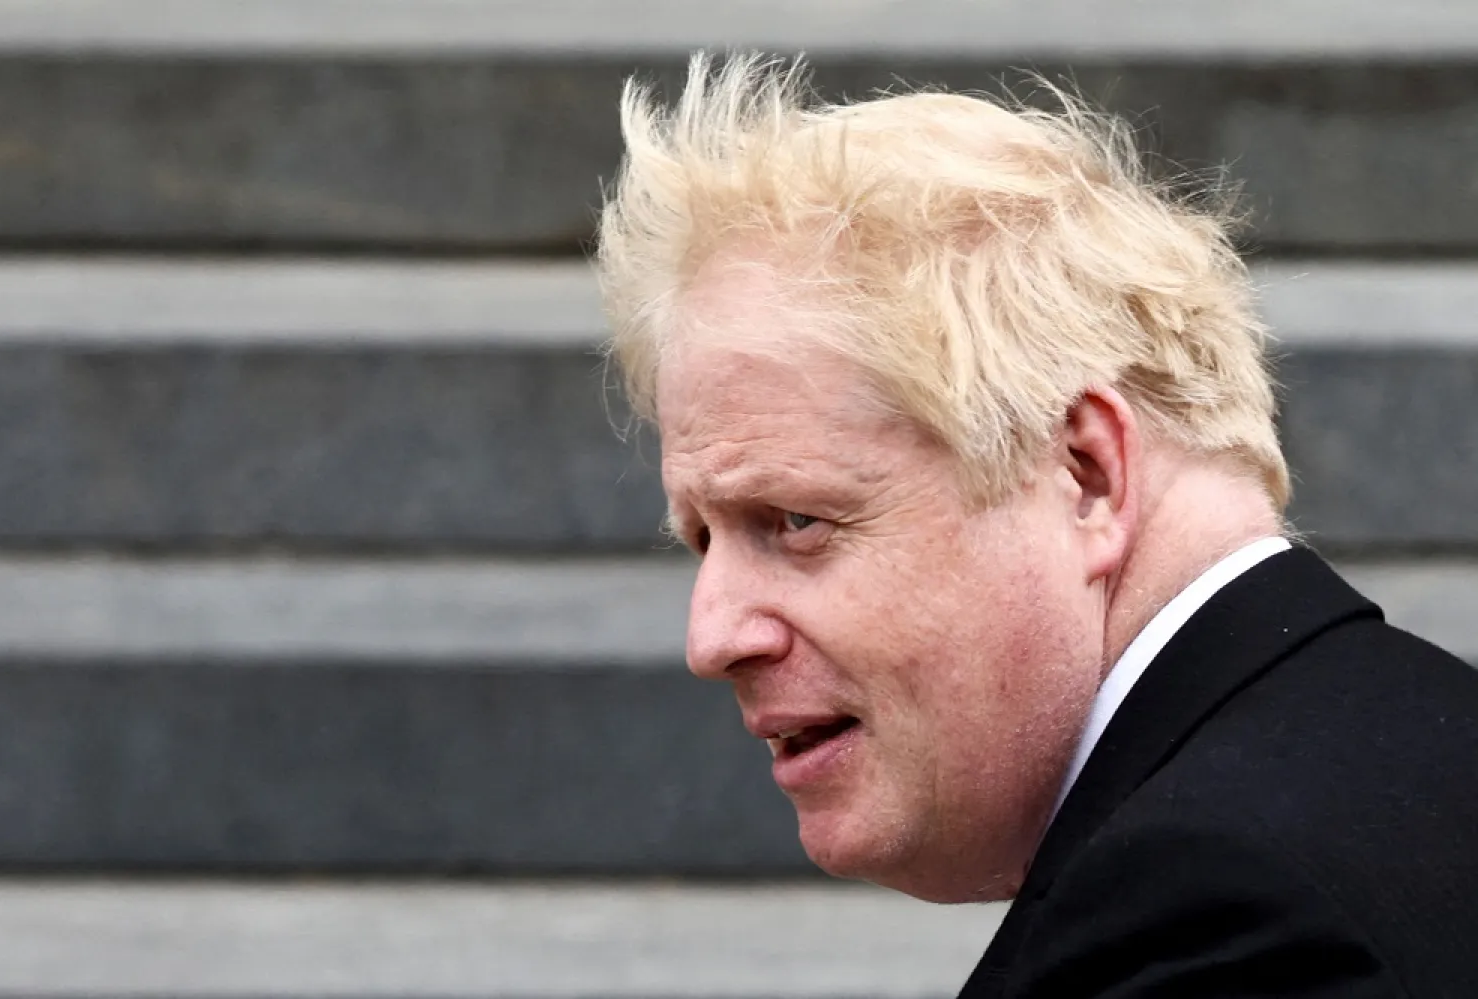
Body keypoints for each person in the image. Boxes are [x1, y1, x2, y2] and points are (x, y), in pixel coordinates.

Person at [594, 53, 1478, 997]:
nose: (712, 635)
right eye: (702, 538)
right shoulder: (1412, 754)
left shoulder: (1221, 915)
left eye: (797, 520)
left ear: (1085, 473)